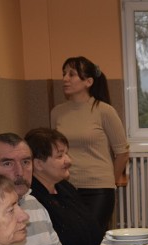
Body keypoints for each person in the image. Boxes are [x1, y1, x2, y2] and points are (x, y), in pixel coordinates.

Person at [51, 56, 129, 231]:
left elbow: (122, 153)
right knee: (69, 239)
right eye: (64, 74)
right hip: (65, 187)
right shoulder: (57, 112)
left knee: (90, 237)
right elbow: (54, 152)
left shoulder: (104, 111)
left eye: (71, 74)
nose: (65, 79)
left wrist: (110, 182)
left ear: (88, 81)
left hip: (98, 189)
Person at [25, 128, 103, 245]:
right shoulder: (34, 201)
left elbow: (89, 226)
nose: (69, 160)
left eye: (66, 153)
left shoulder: (64, 187)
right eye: (60, 156)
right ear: (39, 164)